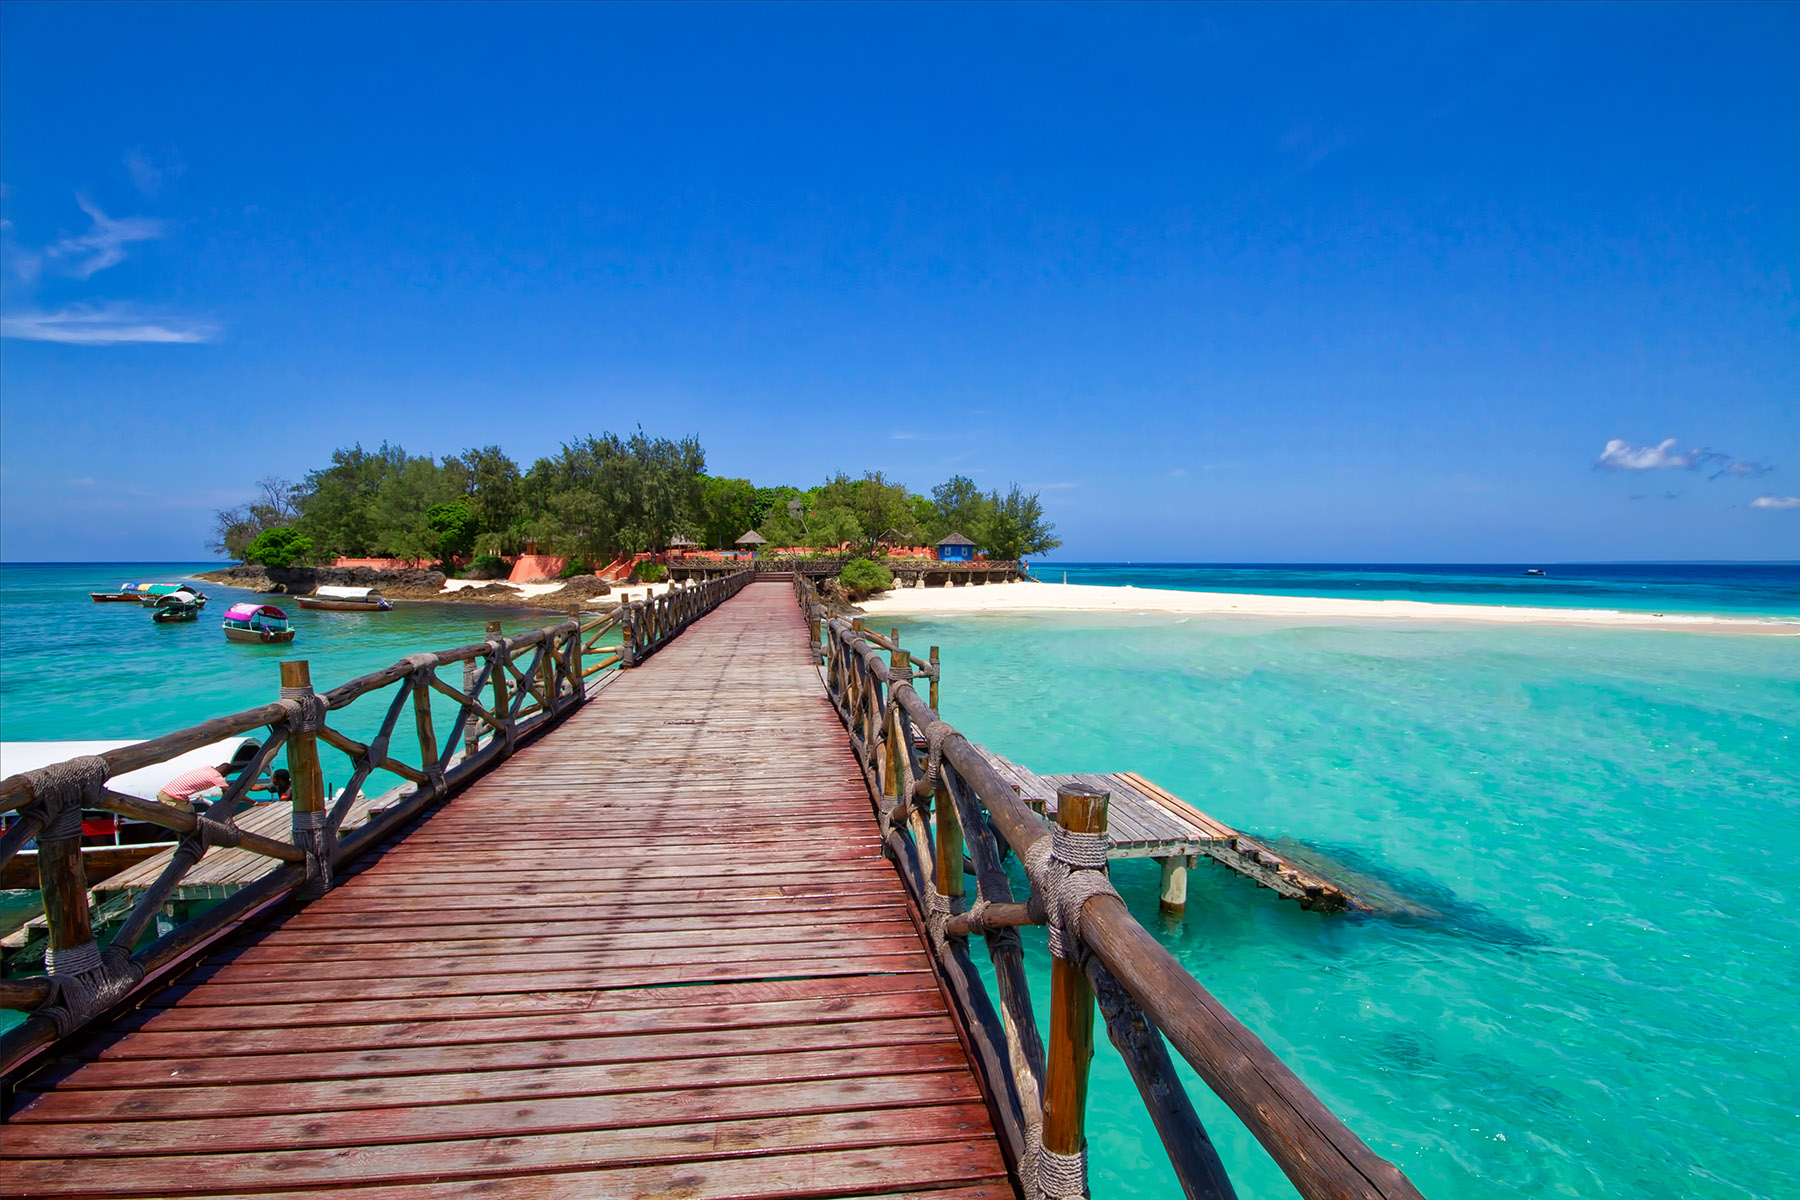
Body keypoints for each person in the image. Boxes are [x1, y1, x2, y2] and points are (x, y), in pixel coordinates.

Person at [157, 763, 231, 812]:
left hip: (163, 792)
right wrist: (243, 799)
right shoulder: (216, 778)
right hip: (172, 798)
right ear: (226, 775)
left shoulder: (207, 768)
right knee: (189, 814)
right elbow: (231, 791)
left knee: (189, 806)